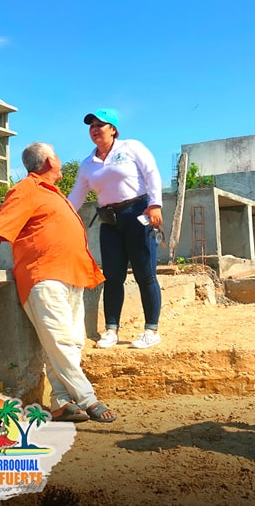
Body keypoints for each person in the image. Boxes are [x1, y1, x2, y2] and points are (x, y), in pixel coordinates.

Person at [0, 142, 117, 423]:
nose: (59, 159)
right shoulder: (26, 189)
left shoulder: (52, 193)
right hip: (44, 276)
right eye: (56, 155)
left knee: (72, 342)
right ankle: (87, 399)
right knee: (60, 342)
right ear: (47, 162)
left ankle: (61, 403)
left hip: (72, 276)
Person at [68, 108, 164, 350]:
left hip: (138, 213)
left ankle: (151, 330)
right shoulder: (88, 164)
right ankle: (111, 330)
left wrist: (155, 204)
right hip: (110, 220)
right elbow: (76, 195)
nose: (94, 130)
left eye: (100, 125)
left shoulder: (131, 147)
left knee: (145, 274)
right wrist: (59, 215)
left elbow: (152, 174)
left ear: (113, 129)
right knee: (112, 277)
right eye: (91, 126)